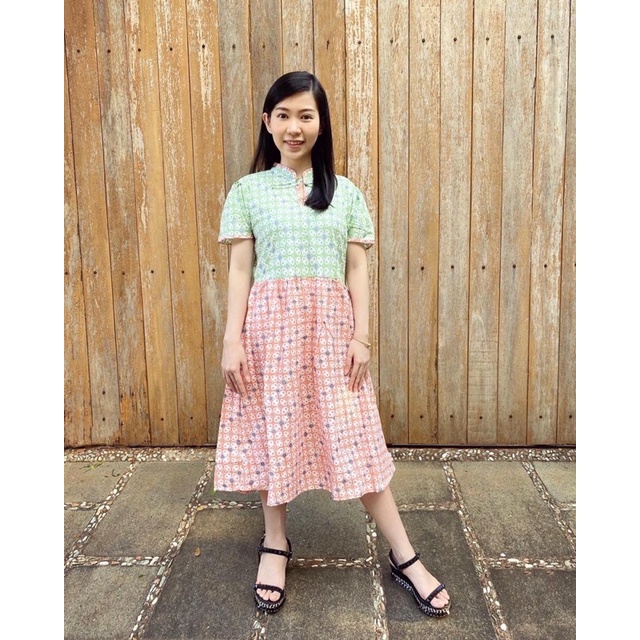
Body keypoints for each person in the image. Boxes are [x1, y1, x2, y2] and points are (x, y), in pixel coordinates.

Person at [215, 71, 450, 618]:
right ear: (267, 121)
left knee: (356, 440)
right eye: (283, 115)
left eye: (306, 115)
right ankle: (275, 544)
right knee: (274, 433)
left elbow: (357, 269)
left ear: (321, 123)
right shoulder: (247, 191)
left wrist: (362, 337)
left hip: (331, 337)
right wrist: (232, 339)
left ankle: (405, 555)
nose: (294, 127)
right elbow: (241, 270)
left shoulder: (345, 193)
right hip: (269, 335)